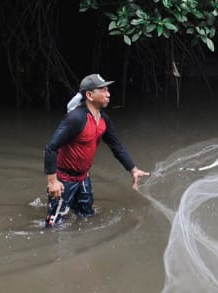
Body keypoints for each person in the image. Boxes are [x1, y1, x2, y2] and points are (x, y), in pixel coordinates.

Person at [43, 73, 149, 227]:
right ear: (90, 95)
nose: (108, 94)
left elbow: (116, 146)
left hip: (83, 177)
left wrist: (133, 169)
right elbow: (51, 146)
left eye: (108, 90)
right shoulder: (76, 119)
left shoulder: (103, 119)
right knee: (54, 224)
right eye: (103, 90)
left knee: (86, 216)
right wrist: (53, 182)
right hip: (64, 178)